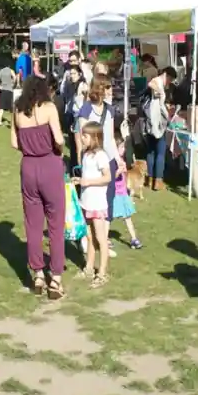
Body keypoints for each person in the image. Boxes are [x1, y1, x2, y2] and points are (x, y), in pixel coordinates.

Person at [11, 76, 67, 299]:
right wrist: (56, 149)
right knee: (55, 224)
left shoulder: (17, 110)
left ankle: (37, 274)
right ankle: (56, 278)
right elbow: (60, 139)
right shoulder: (50, 108)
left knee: (32, 224)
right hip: (49, 164)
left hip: (28, 166)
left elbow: (14, 143)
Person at [76, 75, 121, 258]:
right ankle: (86, 239)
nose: (111, 91)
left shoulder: (110, 110)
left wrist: (118, 160)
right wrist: (82, 161)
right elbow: (82, 137)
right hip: (90, 160)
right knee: (88, 200)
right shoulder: (86, 109)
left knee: (107, 201)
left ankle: (103, 239)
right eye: (108, 87)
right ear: (99, 89)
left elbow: (110, 138)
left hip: (107, 159)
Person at [73, 121, 113, 289]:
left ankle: (102, 272)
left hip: (97, 204)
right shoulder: (86, 154)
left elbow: (107, 177)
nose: (82, 138)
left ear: (95, 137)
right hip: (86, 203)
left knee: (100, 238)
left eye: (85, 136)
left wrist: (87, 182)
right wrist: (79, 181)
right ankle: (89, 267)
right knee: (89, 237)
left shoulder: (101, 155)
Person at [143, 67, 176, 191]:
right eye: (170, 79)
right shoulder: (157, 81)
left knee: (151, 151)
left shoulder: (159, 82)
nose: (169, 82)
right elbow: (151, 83)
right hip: (157, 122)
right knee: (160, 152)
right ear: (166, 75)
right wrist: (161, 93)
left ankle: (149, 179)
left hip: (150, 121)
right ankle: (158, 181)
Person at [110, 127, 142, 249]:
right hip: (115, 195)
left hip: (123, 194)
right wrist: (118, 172)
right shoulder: (112, 162)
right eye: (121, 147)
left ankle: (134, 238)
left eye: (124, 147)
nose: (124, 150)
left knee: (128, 217)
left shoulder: (122, 160)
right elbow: (111, 178)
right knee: (109, 218)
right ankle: (104, 238)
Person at [0, 61, 17, 127]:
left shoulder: (0, 71)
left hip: (3, 90)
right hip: (10, 90)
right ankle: (12, 122)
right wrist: (13, 84)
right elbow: (15, 78)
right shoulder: (11, 71)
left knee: (1, 107)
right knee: (11, 108)